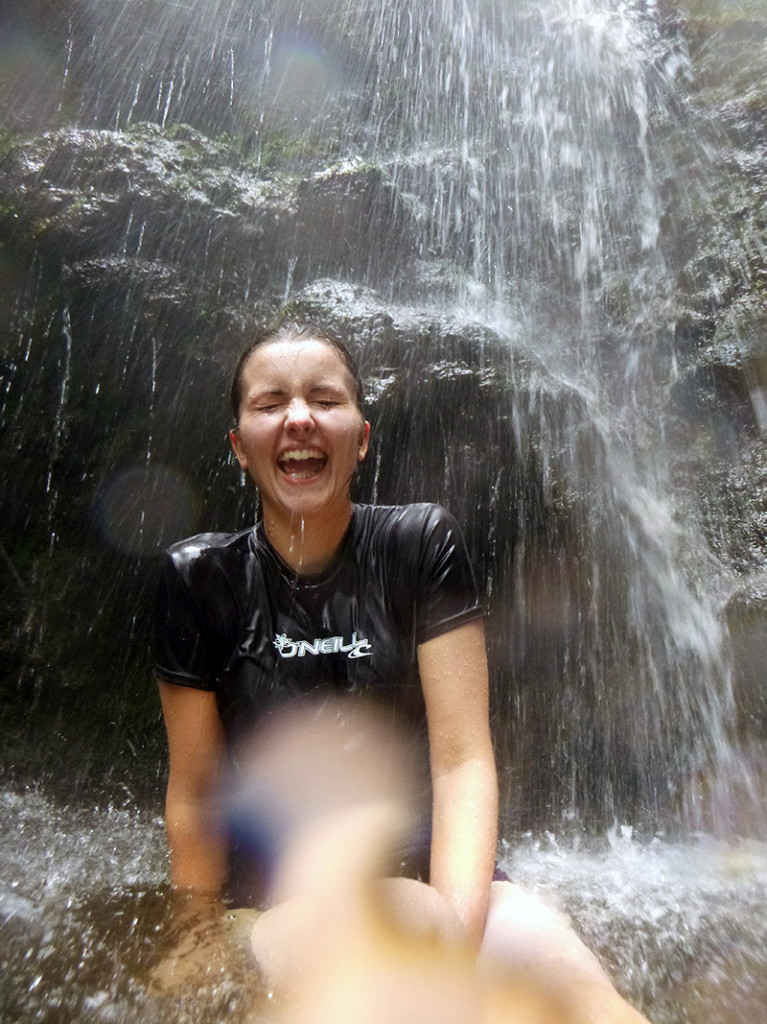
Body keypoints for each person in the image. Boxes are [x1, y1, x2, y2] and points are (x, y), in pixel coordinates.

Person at [153, 318, 651, 1021]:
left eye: (324, 399)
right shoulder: (197, 577)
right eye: (270, 404)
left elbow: (461, 759)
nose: (298, 417)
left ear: (360, 437)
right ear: (240, 447)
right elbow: (198, 793)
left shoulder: (419, 543)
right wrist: (194, 935)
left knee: (588, 1003)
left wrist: (454, 927)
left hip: (447, 881)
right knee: (402, 926)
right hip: (284, 895)